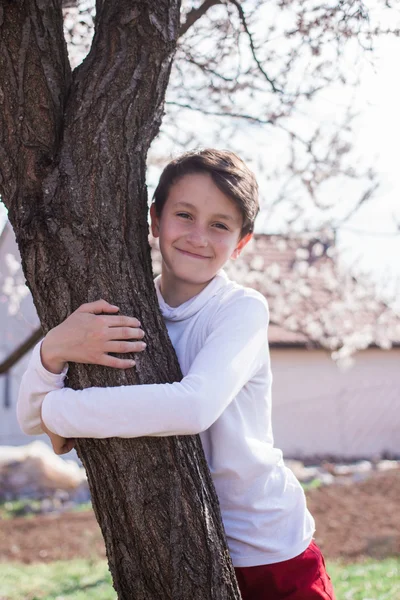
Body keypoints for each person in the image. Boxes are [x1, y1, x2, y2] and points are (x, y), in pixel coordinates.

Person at [17, 149, 335, 600]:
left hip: (269, 548)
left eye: (220, 225)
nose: (198, 236)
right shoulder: (128, 309)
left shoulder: (240, 309)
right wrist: (53, 350)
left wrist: (59, 410)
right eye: (184, 215)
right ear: (154, 221)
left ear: (241, 242)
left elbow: (193, 406)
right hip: (180, 545)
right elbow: (29, 421)